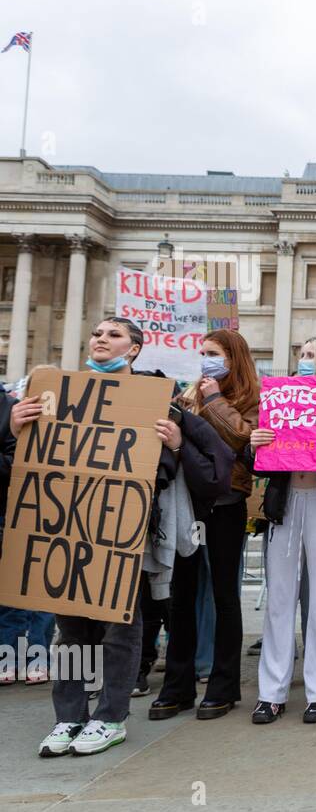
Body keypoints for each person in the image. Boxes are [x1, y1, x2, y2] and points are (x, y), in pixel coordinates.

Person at [36, 317, 230, 757]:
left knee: (118, 627)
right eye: (97, 334)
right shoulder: (62, 396)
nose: (101, 340)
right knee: (70, 631)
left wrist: (178, 443)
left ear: (135, 349)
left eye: (114, 335)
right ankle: (68, 716)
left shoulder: (158, 400)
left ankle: (109, 717)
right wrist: (15, 423)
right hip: (69, 526)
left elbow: (217, 457)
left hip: (124, 531)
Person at [248, 336, 316, 724]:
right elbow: (261, 465)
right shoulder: (282, 398)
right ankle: (270, 692)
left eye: (312, 355)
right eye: (302, 355)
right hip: (286, 503)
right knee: (279, 597)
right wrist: (254, 444)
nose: (304, 360)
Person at [151, 329, 258, 721]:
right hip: (186, 505)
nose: (204, 360)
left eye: (212, 353)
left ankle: (223, 685)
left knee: (224, 595)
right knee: (181, 595)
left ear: (234, 359)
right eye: (201, 352)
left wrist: (213, 399)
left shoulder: (251, 399)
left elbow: (239, 440)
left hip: (226, 504)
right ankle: (177, 686)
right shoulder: (188, 395)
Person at [0, 375, 50, 686]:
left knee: (38, 596)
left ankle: (37, 656)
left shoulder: (11, 408)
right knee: (9, 596)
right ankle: (9, 657)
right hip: (13, 513)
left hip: (30, 510)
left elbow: (15, 458)